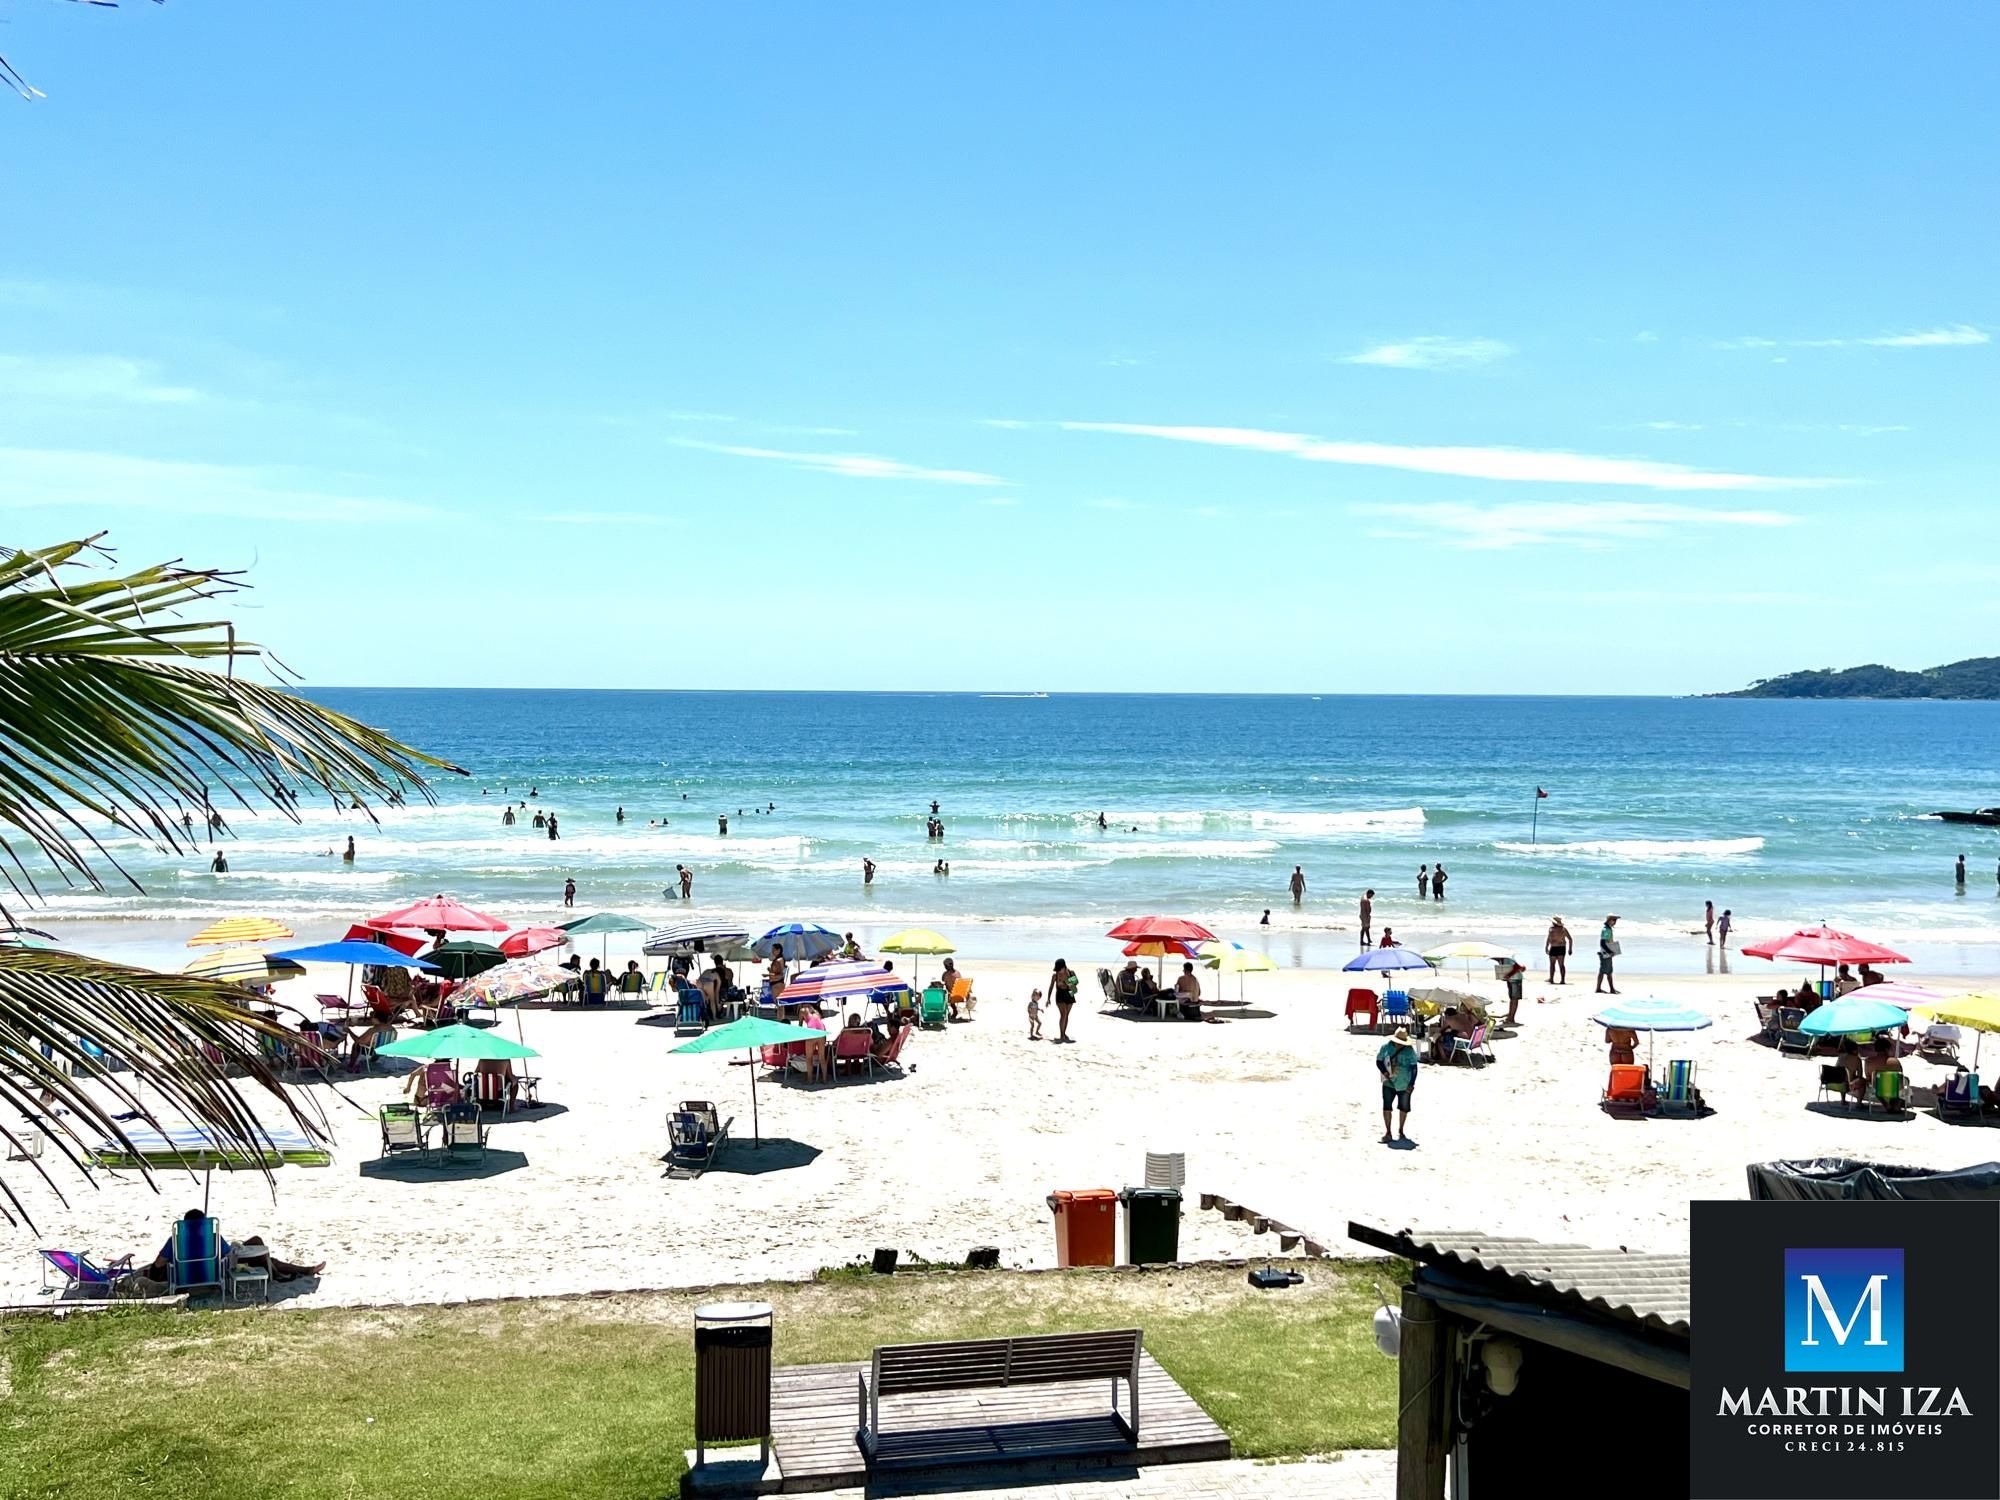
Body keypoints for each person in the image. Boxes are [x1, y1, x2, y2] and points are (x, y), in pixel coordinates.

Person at [1376, 1026, 1418, 1144]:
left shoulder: (1410, 1051)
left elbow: (1414, 1068)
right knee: (1387, 1106)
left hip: (1404, 1083)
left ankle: (1401, 1130)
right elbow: (1378, 1061)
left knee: (1404, 1107)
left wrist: (1412, 1083)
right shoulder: (1386, 1047)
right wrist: (1384, 1071)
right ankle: (1388, 1131)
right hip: (1388, 1082)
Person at [1048, 957, 1079, 1042]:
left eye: (1059, 969)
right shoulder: (1055, 975)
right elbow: (1051, 987)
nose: (1058, 971)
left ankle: (1064, 1033)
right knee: (1063, 1014)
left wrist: (1067, 979)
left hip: (1069, 993)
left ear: (1064, 967)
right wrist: (1048, 998)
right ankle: (1061, 1035)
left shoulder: (1071, 972)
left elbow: (1076, 983)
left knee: (1066, 1015)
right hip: (1060, 995)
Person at [1595, 915, 1621, 995]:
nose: (1615, 922)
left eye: (1616, 920)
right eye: (1614, 920)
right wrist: (1610, 952)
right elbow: (1602, 943)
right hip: (1605, 953)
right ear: (1609, 920)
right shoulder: (1606, 930)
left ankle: (1608, 988)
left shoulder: (1608, 929)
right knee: (1605, 971)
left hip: (1606, 953)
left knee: (1607, 971)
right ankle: (1606, 989)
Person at [1498, 957, 1526, 1025]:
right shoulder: (1502, 960)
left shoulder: (1507, 958)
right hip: (1511, 980)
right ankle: (1510, 1016)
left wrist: (1508, 975)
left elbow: (1517, 967)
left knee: (1514, 999)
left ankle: (1511, 1018)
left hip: (1516, 979)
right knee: (1511, 998)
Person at [1545, 917, 1571, 984]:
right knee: (1561, 965)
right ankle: (1562, 980)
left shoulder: (1551, 929)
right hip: (1561, 948)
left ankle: (1551, 979)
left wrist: (1546, 947)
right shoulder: (1564, 929)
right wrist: (1570, 949)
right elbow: (1570, 939)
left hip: (1554, 948)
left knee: (1552, 964)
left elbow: (1549, 939)